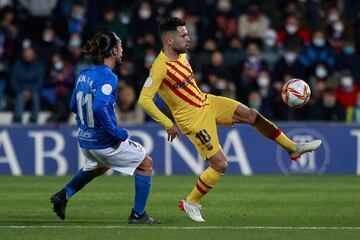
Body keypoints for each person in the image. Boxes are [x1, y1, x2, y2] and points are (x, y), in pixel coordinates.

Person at [138, 17, 322, 222]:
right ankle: (191, 202)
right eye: (183, 35)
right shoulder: (159, 67)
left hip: (207, 102)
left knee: (252, 115)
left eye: (187, 33)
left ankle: (293, 148)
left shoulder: (182, 55)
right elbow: (144, 100)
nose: (188, 38)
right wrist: (168, 123)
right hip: (192, 120)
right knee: (221, 165)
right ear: (170, 41)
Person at [50, 31, 160, 224]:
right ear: (115, 50)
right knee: (146, 164)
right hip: (103, 141)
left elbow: (73, 106)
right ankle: (138, 215)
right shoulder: (109, 77)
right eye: (121, 46)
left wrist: (86, 126)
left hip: (85, 141)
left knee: (99, 167)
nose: (123, 49)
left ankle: (63, 194)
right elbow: (99, 106)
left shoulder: (83, 75)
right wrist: (114, 131)